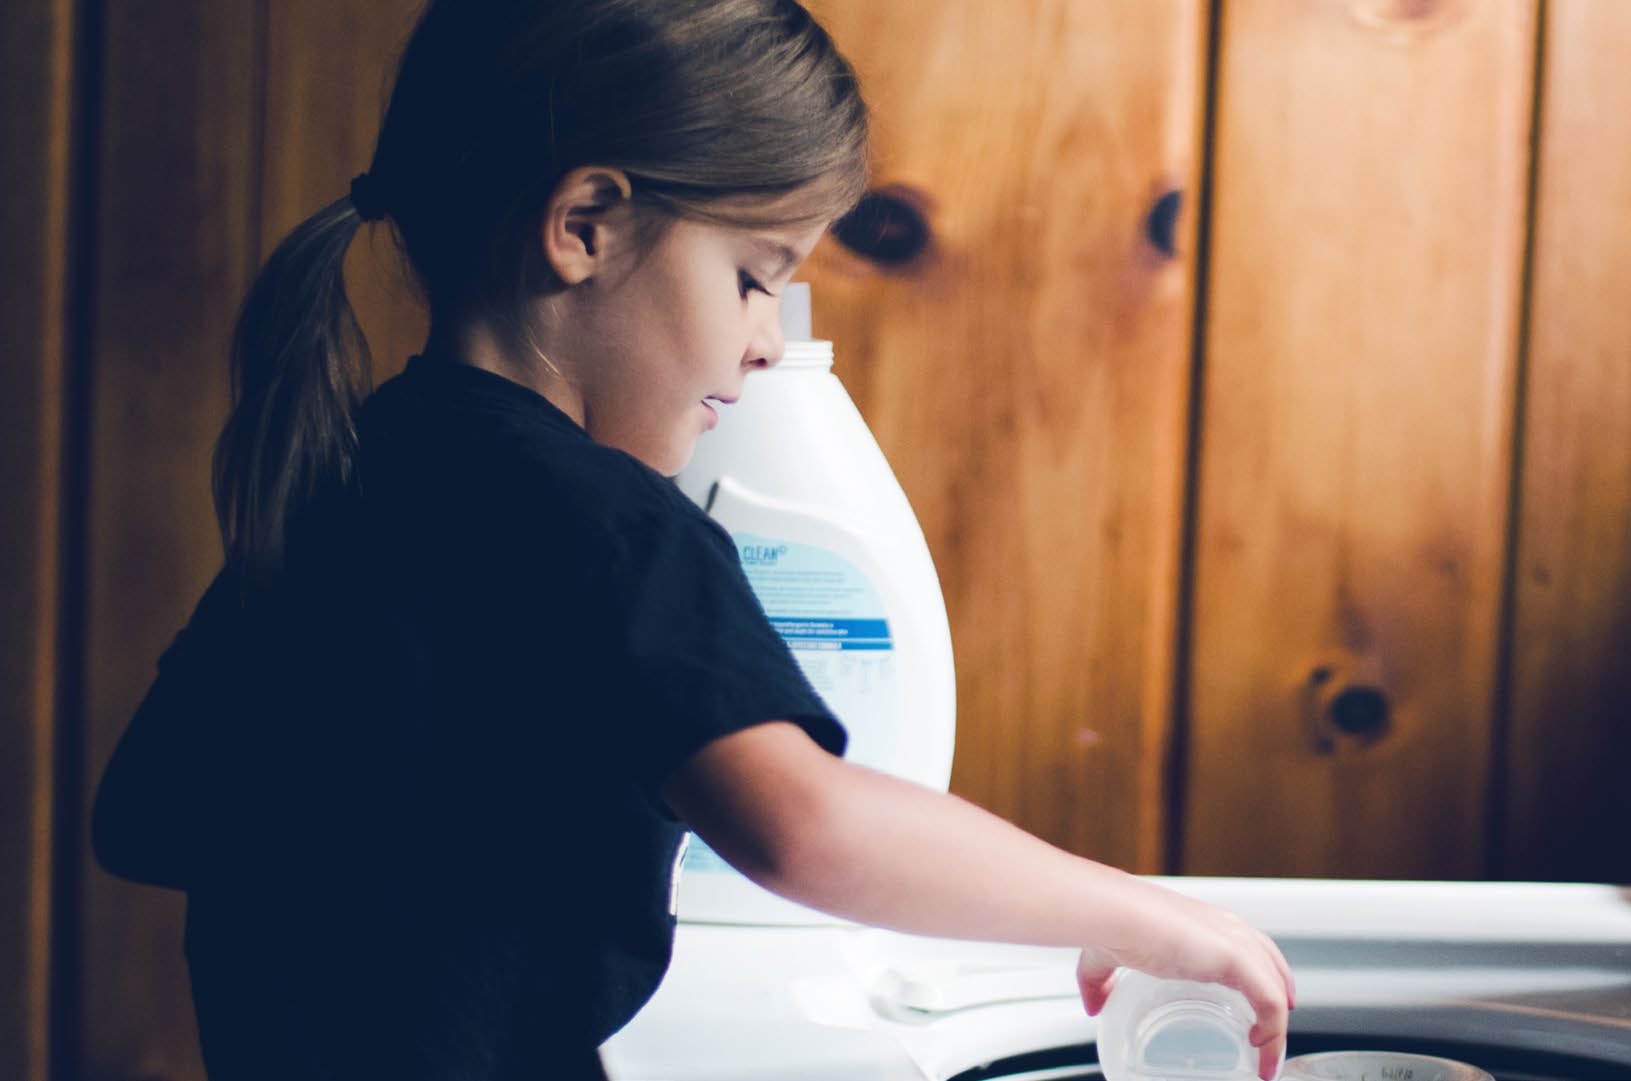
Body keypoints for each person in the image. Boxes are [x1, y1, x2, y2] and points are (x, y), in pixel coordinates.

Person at [88, 1, 1295, 1077]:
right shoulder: (607, 526)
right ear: (588, 224)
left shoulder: (349, 474)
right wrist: (1146, 913)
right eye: (755, 277)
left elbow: (142, 816)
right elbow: (804, 824)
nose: (767, 341)